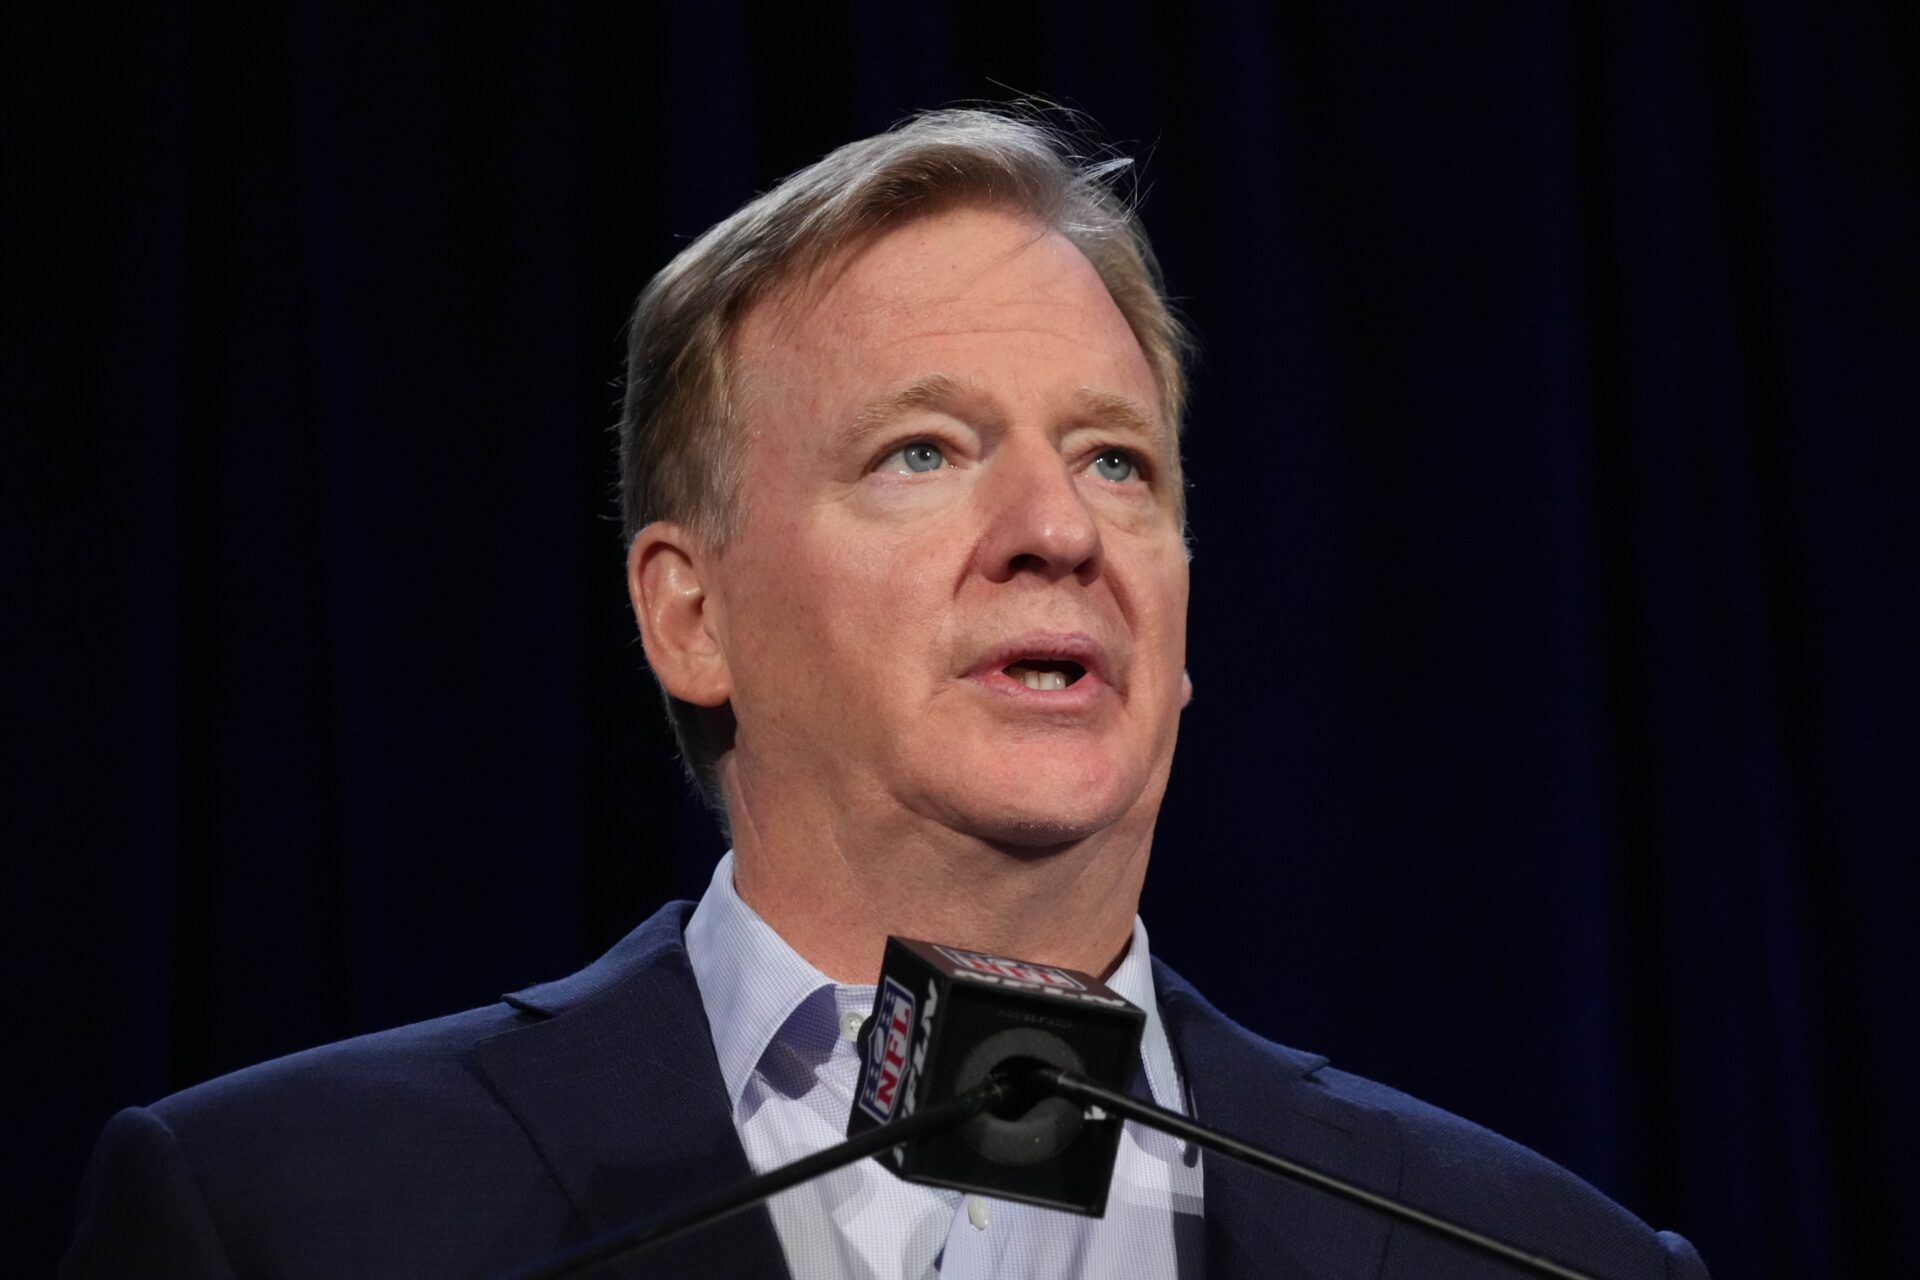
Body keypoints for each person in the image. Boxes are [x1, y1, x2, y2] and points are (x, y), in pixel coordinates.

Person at [64, 108, 1709, 1279]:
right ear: (690, 616)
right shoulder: (291, 1218)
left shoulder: (1530, 1259)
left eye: (1116, 462)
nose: (1058, 531)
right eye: (923, 450)